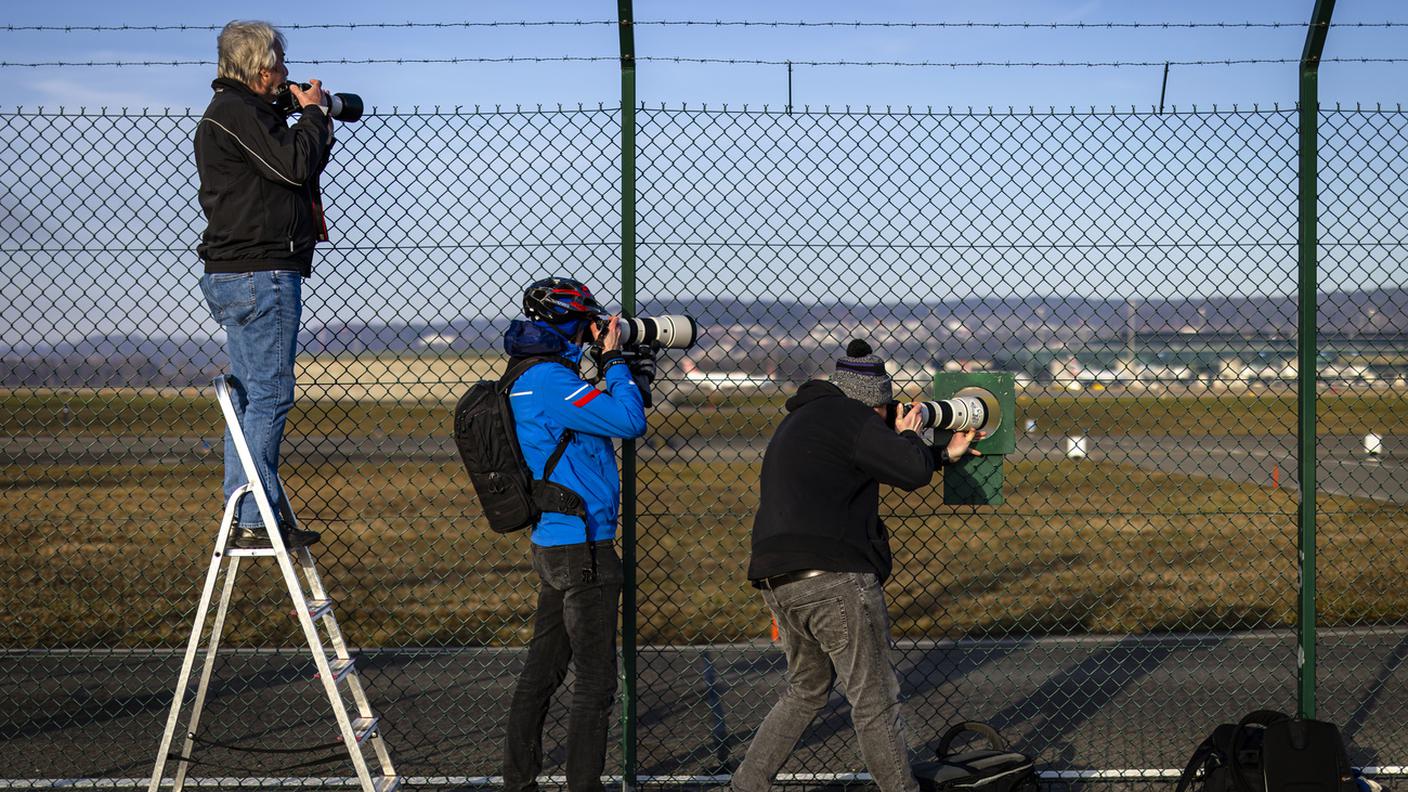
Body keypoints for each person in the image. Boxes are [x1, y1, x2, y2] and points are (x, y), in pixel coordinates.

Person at [732, 339, 983, 792]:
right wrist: (910, 432)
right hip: (833, 580)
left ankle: (746, 786)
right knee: (875, 701)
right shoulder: (852, 416)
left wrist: (943, 453)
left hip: (779, 577)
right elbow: (909, 471)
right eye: (888, 409)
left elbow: (891, 461)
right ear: (874, 404)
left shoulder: (805, 419)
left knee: (806, 691)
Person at [501, 277, 648, 792]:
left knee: (542, 674)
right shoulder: (551, 381)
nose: (594, 327)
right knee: (594, 684)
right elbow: (630, 422)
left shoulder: (527, 374)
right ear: (568, 319)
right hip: (582, 547)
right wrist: (614, 364)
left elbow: (593, 424)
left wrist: (617, 370)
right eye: (588, 317)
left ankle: (518, 783)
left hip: (554, 541)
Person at [194, 20, 335, 548]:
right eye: (279, 64)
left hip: (241, 270)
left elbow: (278, 161)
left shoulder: (238, 114)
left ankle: (246, 507)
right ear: (260, 67)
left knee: (251, 397)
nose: (286, 74)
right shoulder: (236, 113)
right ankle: (255, 517)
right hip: (261, 271)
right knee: (271, 396)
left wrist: (294, 113)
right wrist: (315, 114)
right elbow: (296, 165)